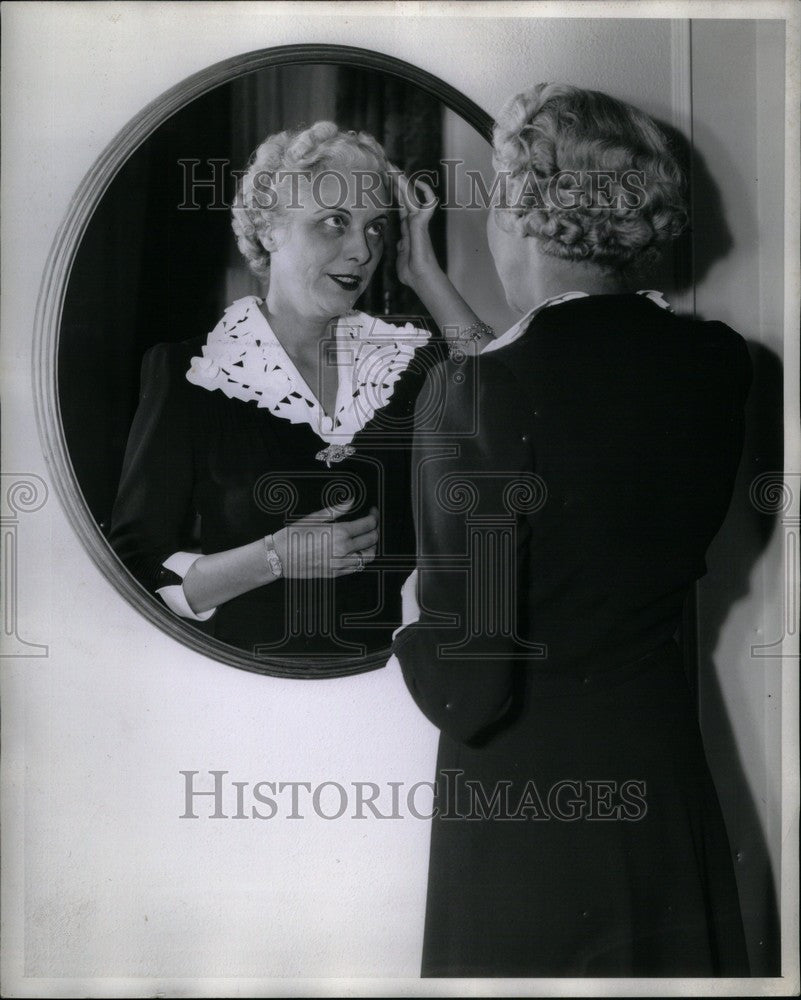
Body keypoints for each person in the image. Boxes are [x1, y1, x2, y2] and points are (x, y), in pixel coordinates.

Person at [392, 84, 752, 976]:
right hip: (660, 774)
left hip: (527, 805)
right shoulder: (719, 363)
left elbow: (463, 689)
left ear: (518, 208)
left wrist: (409, 615)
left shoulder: (470, 394)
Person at [108, 121, 493, 662]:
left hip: (398, 694)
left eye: (376, 227)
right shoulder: (194, 371)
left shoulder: (410, 358)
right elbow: (132, 566)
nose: (362, 250)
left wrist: (425, 274)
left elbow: (510, 395)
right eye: (335, 222)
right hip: (253, 694)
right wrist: (274, 557)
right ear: (270, 230)